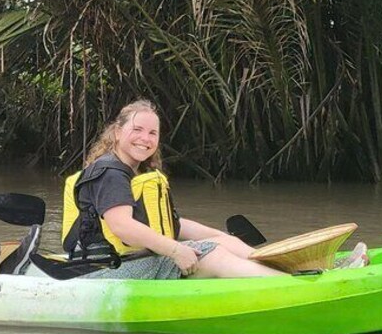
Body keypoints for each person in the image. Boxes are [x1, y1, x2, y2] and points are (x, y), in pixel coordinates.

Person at [62, 99, 286, 279]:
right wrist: (176, 250)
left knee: (221, 242)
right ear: (118, 132)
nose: (145, 138)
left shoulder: (138, 174)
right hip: (100, 272)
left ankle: (289, 270)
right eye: (137, 129)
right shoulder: (110, 173)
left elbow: (171, 225)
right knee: (213, 253)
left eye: (152, 133)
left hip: (129, 261)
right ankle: (287, 287)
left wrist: (218, 235)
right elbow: (122, 226)